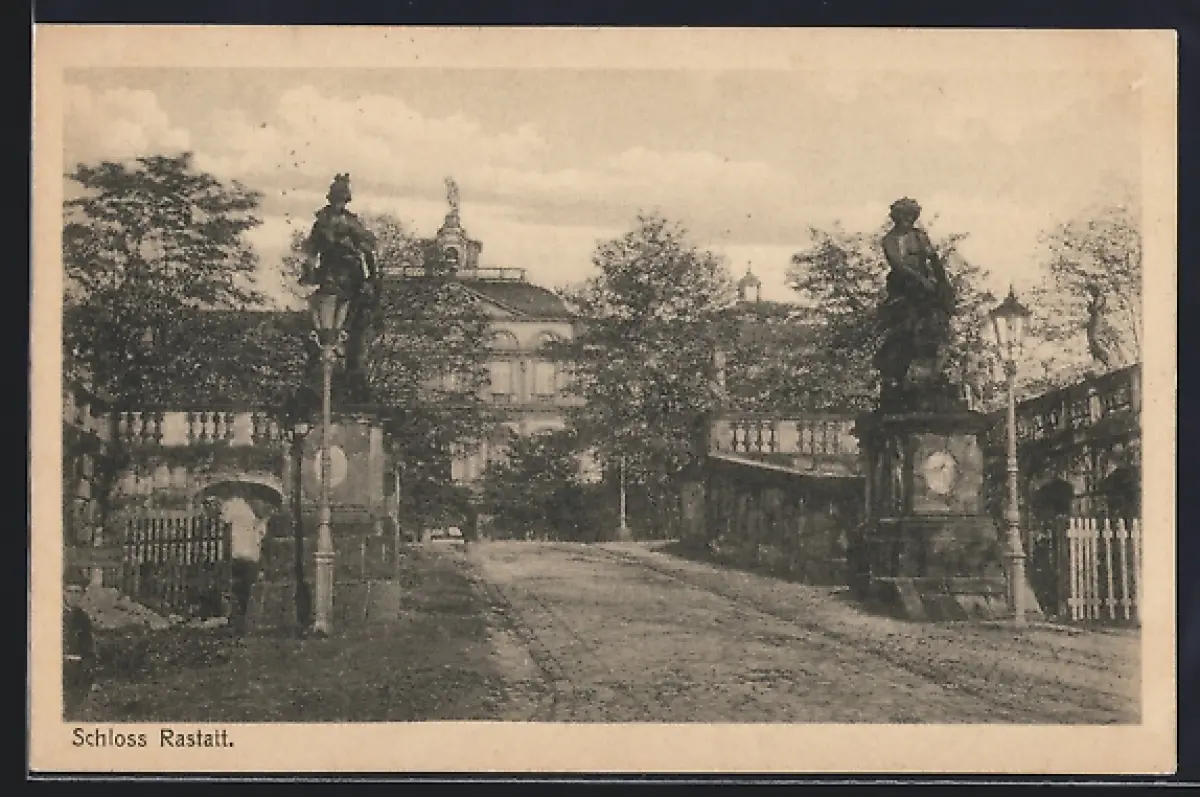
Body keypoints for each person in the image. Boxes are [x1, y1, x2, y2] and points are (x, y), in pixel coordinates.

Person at [875, 197, 957, 407]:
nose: (908, 220)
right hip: (902, 285)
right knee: (904, 320)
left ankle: (933, 358)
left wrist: (943, 284)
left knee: (937, 317)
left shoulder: (920, 236)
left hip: (924, 286)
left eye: (912, 216)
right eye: (904, 216)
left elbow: (934, 260)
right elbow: (898, 265)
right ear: (896, 218)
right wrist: (921, 280)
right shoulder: (889, 240)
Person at [224, 497, 267, 635]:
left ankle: (239, 621)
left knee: (240, 590)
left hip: (242, 556)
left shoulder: (239, 510)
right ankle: (239, 621)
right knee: (243, 591)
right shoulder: (244, 511)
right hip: (245, 557)